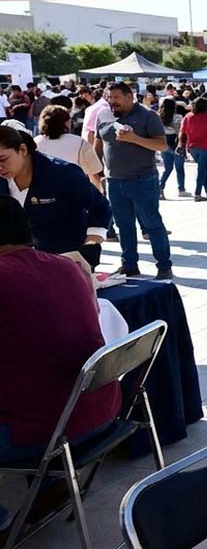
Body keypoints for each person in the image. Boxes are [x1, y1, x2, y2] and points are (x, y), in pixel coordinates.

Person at [0, 197, 121, 540]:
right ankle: (45, 488)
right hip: (99, 413)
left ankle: (5, 522)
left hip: (48, 429)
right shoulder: (66, 266)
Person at [0, 124, 111, 268]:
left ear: (23, 150)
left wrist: (91, 244)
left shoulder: (63, 174)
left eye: (2, 159)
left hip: (65, 262)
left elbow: (101, 208)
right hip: (16, 265)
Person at [97, 83, 173, 280]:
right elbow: (99, 143)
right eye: (109, 97)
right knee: (124, 225)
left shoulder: (148, 116)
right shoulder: (104, 115)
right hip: (114, 180)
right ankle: (129, 265)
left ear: (129, 97)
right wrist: (96, 171)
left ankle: (164, 266)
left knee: (152, 224)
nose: (112, 101)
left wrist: (134, 138)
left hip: (142, 180)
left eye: (116, 97)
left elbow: (162, 145)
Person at [34, 104, 103, 191]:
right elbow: (94, 172)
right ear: (66, 122)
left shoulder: (35, 142)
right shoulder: (79, 142)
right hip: (72, 193)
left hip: (43, 193)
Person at [178, 97, 207, 201]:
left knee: (202, 168)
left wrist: (181, 145)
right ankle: (198, 193)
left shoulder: (188, 116)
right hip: (205, 146)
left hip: (192, 146)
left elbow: (182, 132)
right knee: (202, 169)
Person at [157, 98, 186, 198]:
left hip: (163, 143)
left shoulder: (158, 118)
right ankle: (181, 189)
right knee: (180, 168)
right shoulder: (178, 117)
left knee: (167, 168)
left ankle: (160, 188)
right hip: (176, 143)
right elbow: (180, 132)